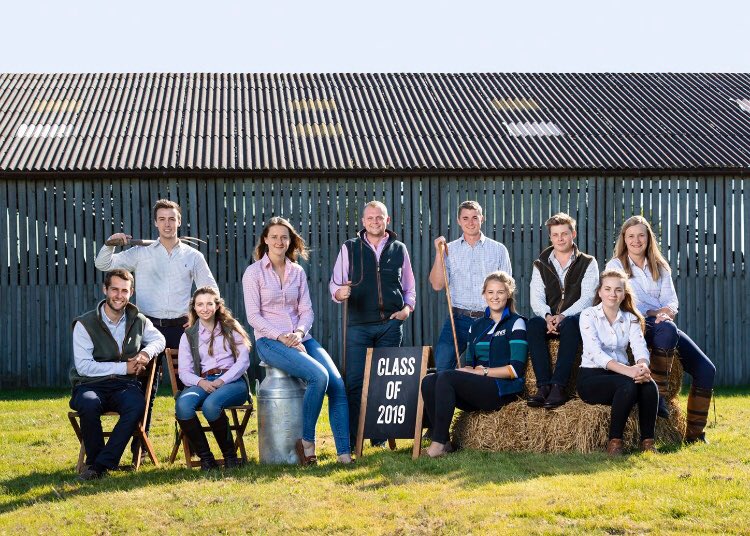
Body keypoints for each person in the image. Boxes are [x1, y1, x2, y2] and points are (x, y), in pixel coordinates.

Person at [95, 199, 219, 460]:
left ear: (179, 221)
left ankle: (192, 445)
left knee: (188, 386)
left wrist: (196, 312)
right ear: (155, 222)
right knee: (143, 390)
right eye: (162, 219)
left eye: (172, 219)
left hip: (180, 330)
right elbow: (103, 265)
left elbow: (210, 289)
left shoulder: (193, 256)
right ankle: (139, 447)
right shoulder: (141, 253)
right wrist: (109, 243)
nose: (167, 223)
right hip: (147, 329)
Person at [243, 217, 352, 465]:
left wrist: (300, 333)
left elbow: (307, 311)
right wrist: (281, 336)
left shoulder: (297, 272)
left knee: (337, 384)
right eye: (274, 237)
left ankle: (344, 453)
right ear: (265, 240)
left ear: (290, 240)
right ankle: (307, 442)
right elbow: (253, 316)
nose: (279, 241)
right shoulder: (253, 273)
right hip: (270, 341)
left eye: (284, 237)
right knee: (318, 376)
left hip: (301, 337)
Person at [606, 216, 716, 443]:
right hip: (634, 324)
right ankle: (659, 397)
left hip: (661, 326)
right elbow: (625, 302)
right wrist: (656, 312)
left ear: (648, 238)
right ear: (624, 240)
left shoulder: (660, 266)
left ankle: (695, 436)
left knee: (707, 369)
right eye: (631, 236)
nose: (636, 240)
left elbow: (671, 302)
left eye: (641, 235)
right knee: (666, 329)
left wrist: (665, 313)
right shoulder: (616, 266)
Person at [329, 200, 417, 448]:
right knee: (355, 382)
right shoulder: (350, 248)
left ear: (387, 221)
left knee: (384, 383)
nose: (375, 222)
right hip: (358, 325)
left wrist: (406, 309)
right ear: (363, 221)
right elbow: (334, 284)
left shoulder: (399, 248)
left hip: (391, 324)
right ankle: (355, 436)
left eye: (379, 218)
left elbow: (409, 286)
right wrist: (339, 293)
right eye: (370, 218)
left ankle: (378, 439)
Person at [69, 269, 166, 480]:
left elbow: (160, 340)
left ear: (131, 293)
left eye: (125, 290)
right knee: (88, 403)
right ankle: (96, 462)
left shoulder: (138, 319)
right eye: (114, 289)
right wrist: (123, 368)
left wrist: (145, 353)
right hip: (90, 384)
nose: (119, 296)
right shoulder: (84, 324)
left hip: (124, 386)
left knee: (137, 405)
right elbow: (84, 366)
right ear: (105, 289)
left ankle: (98, 467)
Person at [420, 271, 527, 458]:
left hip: (502, 389)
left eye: (500, 292)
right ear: (484, 294)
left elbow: (515, 370)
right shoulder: (476, 326)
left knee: (446, 377)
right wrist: (467, 370)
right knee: (429, 380)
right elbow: (470, 365)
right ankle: (444, 442)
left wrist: (483, 372)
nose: (495, 297)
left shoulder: (517, 323)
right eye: (491, 292)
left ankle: (435, 446)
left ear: (508, 294)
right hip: (479, 388)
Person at [577, 269, 658, 455]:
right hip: (592, 378)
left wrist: (643, 366)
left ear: (624, 294)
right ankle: (615, 443)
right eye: (607, 289)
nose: (612, 294)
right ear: (599, 292)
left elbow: (639, 347)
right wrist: (629, 371)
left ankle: (648, 442)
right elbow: (596, 353)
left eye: (618, 290)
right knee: (628, 385)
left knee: (649, 385)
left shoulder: (631, 318)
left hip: (621, 375)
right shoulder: (588, 315)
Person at [428, 200, 512, 372]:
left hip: (489, 319)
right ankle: (448, 399)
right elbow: (437, 285)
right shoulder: (448, 249)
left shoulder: (498, 249)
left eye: (475, 217)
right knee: (442, 364)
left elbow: (507, 288)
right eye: (465, 218)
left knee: (484, 369)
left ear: (483, 218)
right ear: (458, 221)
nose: (470, 222)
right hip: (458, 319)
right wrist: (439, 253)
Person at [527, 213, 599, 409]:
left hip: (574, 318)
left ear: (573, 234)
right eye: (555, 234)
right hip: (550, 317)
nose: (560, 238)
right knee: (533, 324)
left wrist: (563, 316)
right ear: (550, 237)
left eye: (564, 233)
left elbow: (588, 298)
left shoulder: (588, 262)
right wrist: (548, 316)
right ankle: (543, 387)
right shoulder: (540, 264)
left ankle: (558, 386)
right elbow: (536, 297)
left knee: (572, 324)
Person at [176, 286, 251, 470]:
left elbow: (243, 361)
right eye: (200, 304)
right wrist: (201, 382)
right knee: (183, 406)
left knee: (211, 405)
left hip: (233, 382)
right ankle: (206, 458)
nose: (205, 308)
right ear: (194, 308)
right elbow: (184, 372)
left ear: (217, 306)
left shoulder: (230, 327)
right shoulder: (189, 336)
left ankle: (230, 457)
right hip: (203, 382)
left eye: (209, 303)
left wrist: (222, 380)